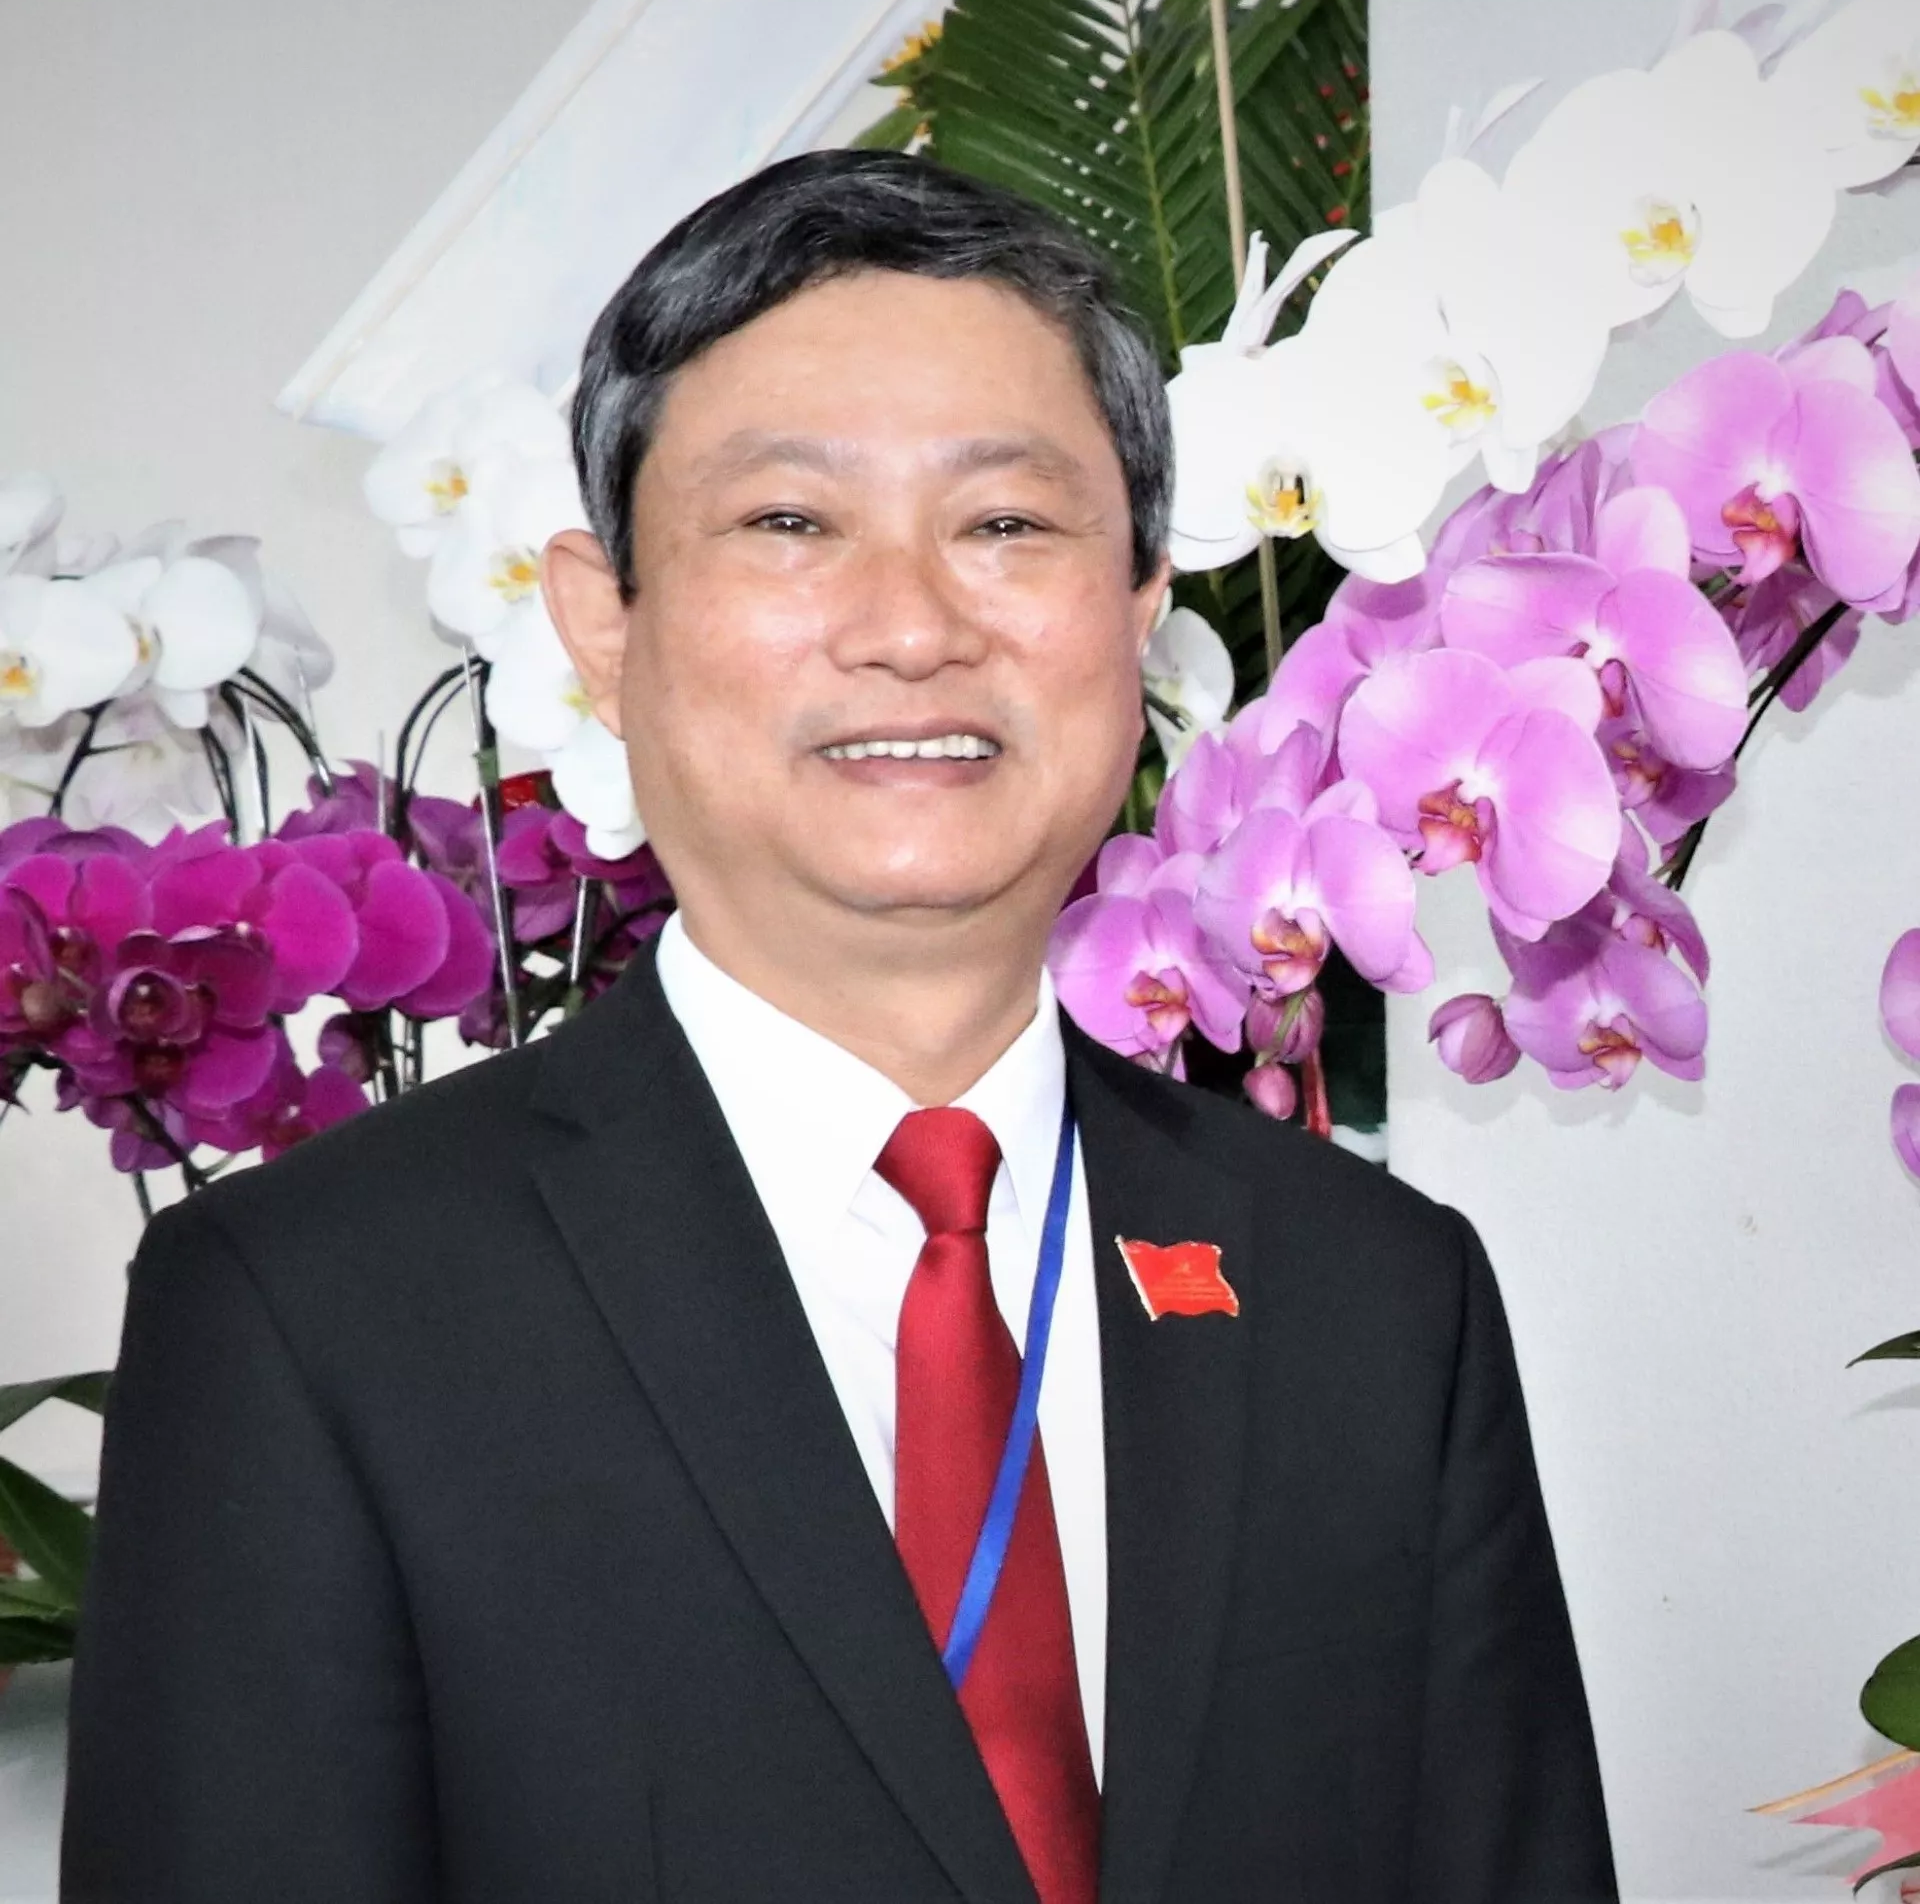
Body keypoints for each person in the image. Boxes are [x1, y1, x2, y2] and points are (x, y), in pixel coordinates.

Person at [60, 149, 1616, 1903]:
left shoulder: (1374, 1297)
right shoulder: (316, 1313)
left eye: (1006, 524)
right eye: (791, 524)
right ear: (602, 625)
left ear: (1138, 611)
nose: (911, 627)